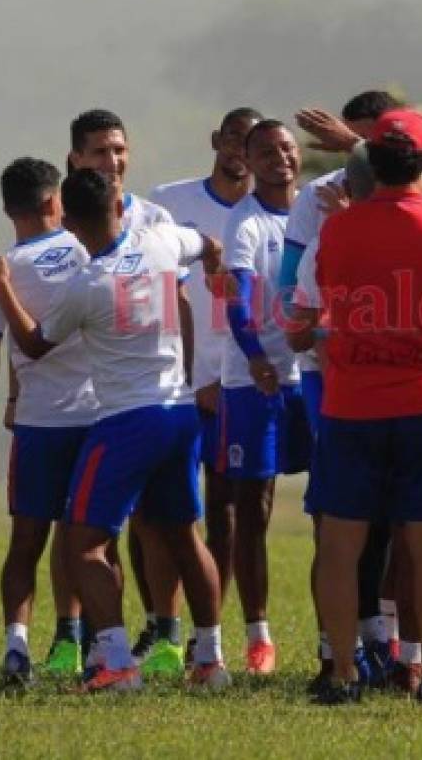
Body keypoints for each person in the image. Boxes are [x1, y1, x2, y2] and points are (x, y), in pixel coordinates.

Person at [0, 168, 228, 693]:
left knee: (83, 546)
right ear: (119, 205)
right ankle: (211, 659)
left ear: (68, 219)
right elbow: (208, 243)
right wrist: (217, 267)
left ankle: (115, 662)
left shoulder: (87, 285)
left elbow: (35, 344)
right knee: (184, 535)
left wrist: (1, 287)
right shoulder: (160, 240)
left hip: (126, 422)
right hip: (178, 411)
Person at [289, 108, 422, 705]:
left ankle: (344, 674)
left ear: (369, 161)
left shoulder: (338, 231)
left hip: (351, 406)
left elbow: (308, 316)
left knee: (341, 545)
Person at [0, 158, 97, 684]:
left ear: (6, 208)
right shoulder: (86, 250)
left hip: (39, 425)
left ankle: (17, 647)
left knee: (25, 543)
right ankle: (103, 649)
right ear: (52, 203)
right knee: (95, 540)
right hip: (96, 418)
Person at [144, 106, 261, 675]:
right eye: (234, 138)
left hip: (236, 379)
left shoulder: (268, 213)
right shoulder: (169, 201)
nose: (241, 150)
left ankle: (206, 636)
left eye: (252, 143)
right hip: (171, 379)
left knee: (226, 513)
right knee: (160, 515)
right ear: (216, 140)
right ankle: (163, 628)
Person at [67, 107, 179, 661]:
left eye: (118, 150)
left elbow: (181, 300)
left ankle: (165, 637)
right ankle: (87, 640)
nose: (112, 162)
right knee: (92, 527)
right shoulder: (67, 223)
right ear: (76, 160)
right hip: (80, 402)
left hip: (140, 401)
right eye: (99, 152)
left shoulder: (156, 222)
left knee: (157, 527)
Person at [218, 119, 313, 674]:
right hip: (255, 381)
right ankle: (259, 635)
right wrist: (255, 354)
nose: (280, 157)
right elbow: (238, 298)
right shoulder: (245, 223)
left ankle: (349, 627)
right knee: (252, 508)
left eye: (286, 147)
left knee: (335, 503)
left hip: (311, 376)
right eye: (266, 151)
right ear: (247, 162)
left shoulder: (315, 211)